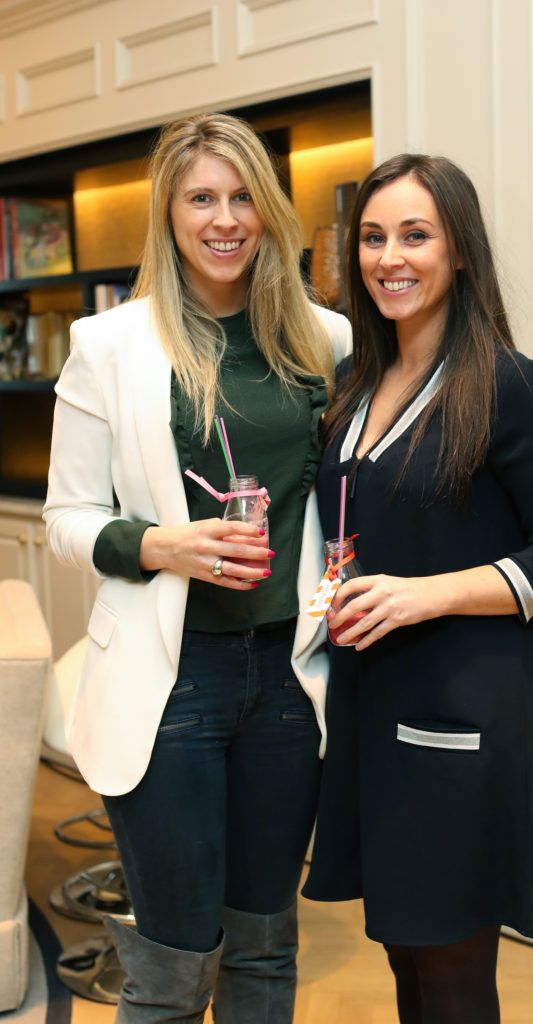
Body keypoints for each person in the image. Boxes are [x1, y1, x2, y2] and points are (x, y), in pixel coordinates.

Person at [43, 112, 351, 1024]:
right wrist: (154, 544)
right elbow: (66, 518)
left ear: (268, 211)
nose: (224, 219)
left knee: (264, 946)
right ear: (168, 215)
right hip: (166, 683)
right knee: (173, 965)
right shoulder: (110, 345)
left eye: (242, 196)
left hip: (289, 679)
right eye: (200, 198)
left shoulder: (325, 341)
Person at [302, 154, 533, 1023]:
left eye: (415, 235)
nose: (389, 257)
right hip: (369, 712)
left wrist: (423, 595)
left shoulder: (508, 385)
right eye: (371, 237)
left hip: (463, 725)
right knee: (404, 956)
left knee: (453, 975)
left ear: (460, 251)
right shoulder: (354, 386)